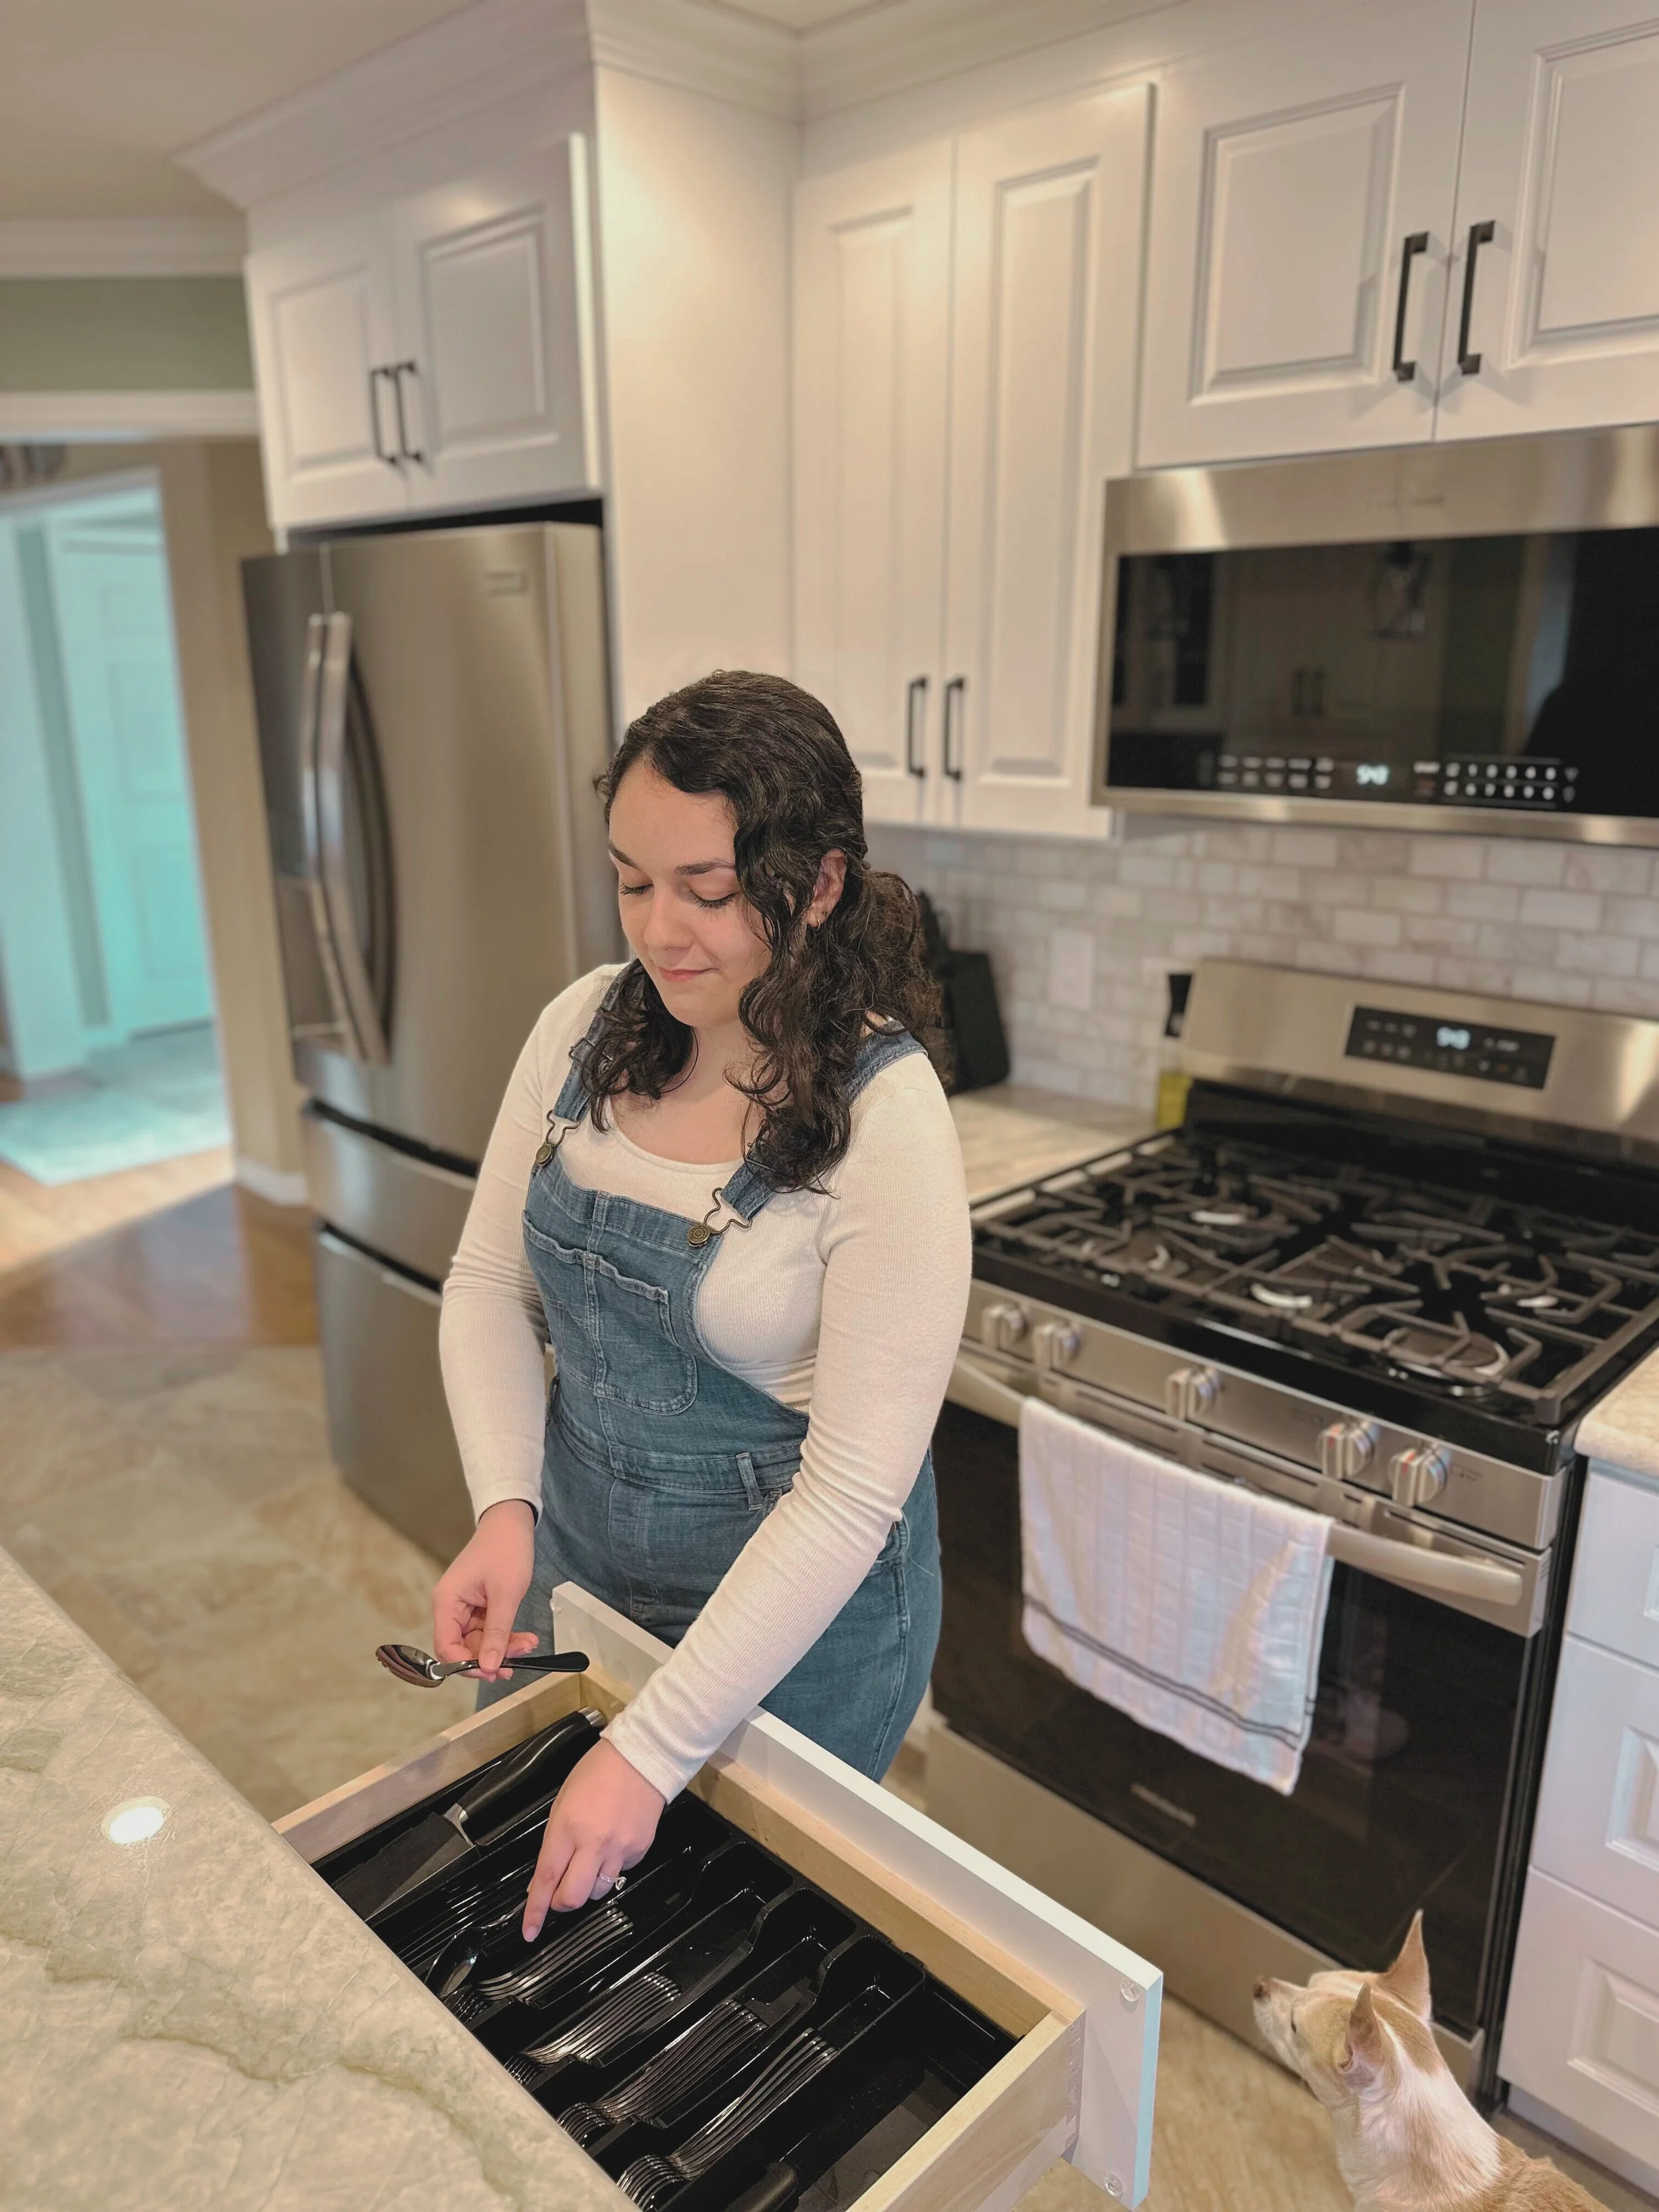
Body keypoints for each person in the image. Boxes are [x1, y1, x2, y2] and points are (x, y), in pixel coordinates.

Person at [433, 670, 971, 1943]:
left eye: (710, 892)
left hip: (801, 1640)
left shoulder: (887, 1131)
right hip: (580, 1570)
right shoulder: (582, 1031)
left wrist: (657, 1746)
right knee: (539, 1925)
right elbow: (483, 1286)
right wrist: (505, 1509)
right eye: (631, 881)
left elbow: (847, 1499)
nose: (659, 931)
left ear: (820, 884)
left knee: (743, 1967)